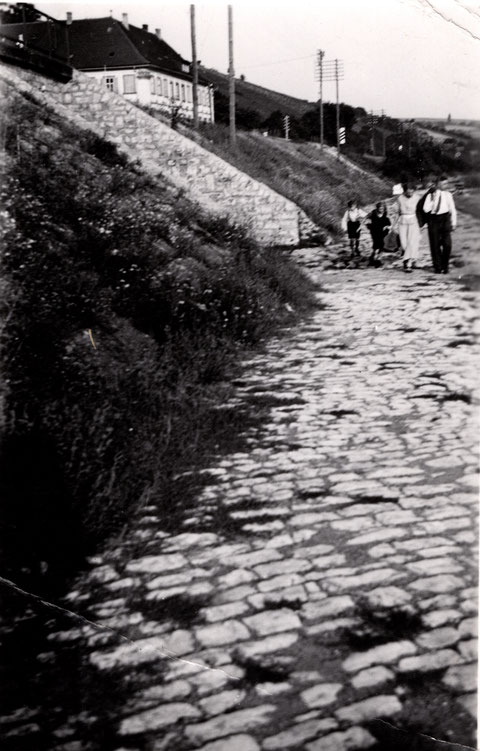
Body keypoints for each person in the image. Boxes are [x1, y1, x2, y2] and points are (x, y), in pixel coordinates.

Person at [418, 175, 457, 274]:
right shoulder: (430, 195)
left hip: (445, 219)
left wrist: (454, 223)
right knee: (435, 245)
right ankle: (438, 267)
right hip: (433, 220)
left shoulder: (448, 195)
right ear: (438, 184)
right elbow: (425, 209)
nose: (446, 185)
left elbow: (452, 209)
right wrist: (432, 199)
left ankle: (445, 265)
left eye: (447, 183)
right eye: (444, 183)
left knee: (447, 245)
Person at [396, 182, 421, 272]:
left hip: (413, 221)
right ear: (404, 191)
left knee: (412, 242)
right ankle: (410, 260)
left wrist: (423, 223)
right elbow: (398, 212)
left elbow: (421, 211)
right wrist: (393, 225)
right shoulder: (399, 199)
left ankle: (408, 263)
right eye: (408, 192)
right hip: (402, 221)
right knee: (404, 243)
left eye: (412, 192)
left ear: (414, 191)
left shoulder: (417, 198)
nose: (410, 193)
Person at [365, 202, 391, 266]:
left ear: (384, 209)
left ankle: (378, 258)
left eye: (382, 208)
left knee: (382, 245)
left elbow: (389, 224)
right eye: (380, 208)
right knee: (376, 244)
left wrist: (387, 227)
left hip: (383, 232)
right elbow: (367, 220)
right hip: (375, 231)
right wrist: (369, 226)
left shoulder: (385, 215)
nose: (381, 210)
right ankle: (373, 256)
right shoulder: (373, 214)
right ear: (377, 208)